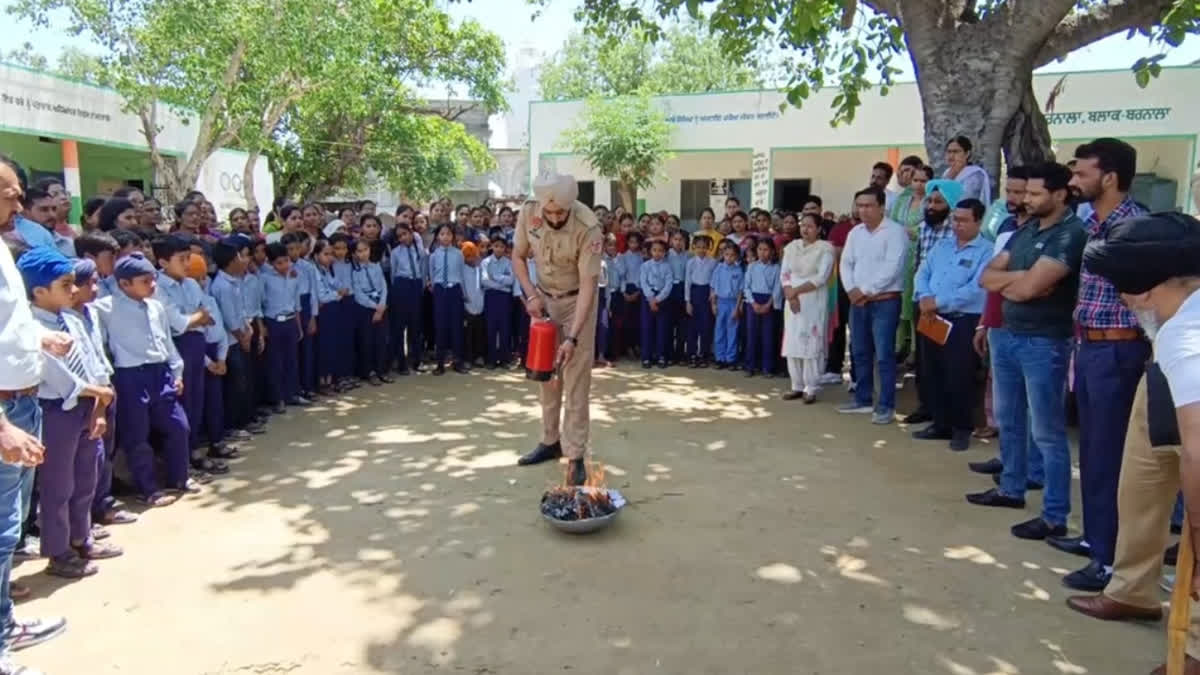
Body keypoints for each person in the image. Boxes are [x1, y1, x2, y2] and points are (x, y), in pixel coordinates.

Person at [1075, 211, 1200, 675]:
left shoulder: (1187, 336)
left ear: (1145, 289)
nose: (1123, 300)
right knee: (1140, 485)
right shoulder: (1178, 322)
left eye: (1123, 289)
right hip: (1161, 378)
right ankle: (1132, 592)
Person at [1044, 139, 1151, 592]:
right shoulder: (1093, 222)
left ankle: (1109, 560)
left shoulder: (1137, 227)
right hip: (1089, 348)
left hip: (1118, 350)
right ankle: (1094, 539)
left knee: (1109, 454)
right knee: (1090, 452)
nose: (1073, 181)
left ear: (1109, 177)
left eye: (1082, 174)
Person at [967, 162, 1086, 542]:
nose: (1027, 200)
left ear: (1060, 194)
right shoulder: (1027, 230)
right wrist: (1024, 276)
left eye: (1035, 194)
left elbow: (1027, 292)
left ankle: (1054, 515)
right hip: (1009, 334)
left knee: (1048, 432)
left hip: (1045, 341)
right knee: (1009, 418)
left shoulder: (1070, 234)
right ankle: (1011, 489)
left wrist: (1018, 282)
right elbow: (988, 277)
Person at [0, 155, 72, 669]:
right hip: (4, 410)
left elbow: (11, 320)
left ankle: (4, 623)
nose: (18, 202)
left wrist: (38, 337)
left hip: (23, 399)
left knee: (9, 524)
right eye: (8, 192)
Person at [512, 174, 603, 486]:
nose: (552, 218)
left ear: (570, 206)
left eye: (559, 213)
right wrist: (531, 296)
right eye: (548, 213)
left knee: (576, 379)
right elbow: (518, 257)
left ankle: (575, 453)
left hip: (578, 302)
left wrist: (574, 337)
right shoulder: (528, 212)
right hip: (543, 301)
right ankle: (550, 441)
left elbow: (590, 285)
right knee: (546, 377)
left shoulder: (588, 226)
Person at [92, 253, 194, 507]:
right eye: (145, 281)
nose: (152, 285)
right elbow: (100, 345)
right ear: (125, 284)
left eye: (153, 279)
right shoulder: (104, 309)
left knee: (178, 426)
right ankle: (148, 489)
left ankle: (179, 478)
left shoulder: (156, 306)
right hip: (130, 376)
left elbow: (167, 343)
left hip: (160, 373)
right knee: (137, 436)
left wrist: (177, 371)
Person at [911, 197, 992, 450]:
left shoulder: (987, 251)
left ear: (978, 221)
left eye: (964, 220)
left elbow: (977, 290)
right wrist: (924, 298)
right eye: (955, 219)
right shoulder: (942, 246)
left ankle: (961, 428)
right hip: (931, 317)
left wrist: (939, 302)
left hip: (961, 321)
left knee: (959, 375)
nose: (957, 225)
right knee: (932, 372)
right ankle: (940, 423)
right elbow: (922, 273)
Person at [838, 186, 909, 424]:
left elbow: (893, 268)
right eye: (860, 205)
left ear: (881, 207)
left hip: (884, 302)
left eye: (868, 205)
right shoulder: (855, 233)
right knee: (859, 351)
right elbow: (846, 263)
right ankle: (863, 399)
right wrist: (851, 290)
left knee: (884, 354)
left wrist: (864, 292)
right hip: (858, 302)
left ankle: (886, 406)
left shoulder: (895, 232)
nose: (863, 210)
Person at [152, 235, 218, 474]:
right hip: (176, 347)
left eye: (189, 258)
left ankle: (194, 451)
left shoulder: (190, 283)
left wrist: (194, 319)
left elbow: (206, 314)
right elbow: (177, 323)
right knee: (180, 404)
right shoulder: (157, 288)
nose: (188, 264)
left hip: (196, 344)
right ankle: (179, 462)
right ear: (163, 262)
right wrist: (194, 318)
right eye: (182, 259)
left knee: (196, 401)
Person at [903, 178, 962, 425]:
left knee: (945, 360)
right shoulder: (926, 227)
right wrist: (922, 296)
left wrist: (935, 299)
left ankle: (946, 414)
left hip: (946, 304)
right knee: (925, 358)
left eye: (939, 202)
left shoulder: (956, 229)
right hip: (923, 300)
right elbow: (920, 266)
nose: (931, 206)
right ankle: (926, 406)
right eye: (930, 200)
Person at [780, 214, 834, 402]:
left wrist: (796, 291)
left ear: (819, 229)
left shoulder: (825, 249)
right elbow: (785, 273)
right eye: (803, 225)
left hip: (813, 298)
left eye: (810, 226)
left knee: (811, 341)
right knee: (793, 339)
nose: (805, 229)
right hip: (792, 299)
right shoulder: (791, 247)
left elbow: (821, 278)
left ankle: (811, 387)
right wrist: (789, 292)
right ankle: (796, 385)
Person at [260, 242, 308, 409]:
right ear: (271, 263)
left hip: (290, 321)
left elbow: (296, 305)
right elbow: (261, 303)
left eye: (286, 261)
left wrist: (299, 327)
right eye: (279, 263)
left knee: (292, 359)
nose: (284, 265)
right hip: (273, 322)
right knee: (275, 361)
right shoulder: (264, 279)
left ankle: (292, 393)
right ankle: (278, 397)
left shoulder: (294, 276)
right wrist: (263, 327)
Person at [283, 232, 321, 398]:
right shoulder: (281, 268)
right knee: (292, 352)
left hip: (305, 307)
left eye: (297, 248)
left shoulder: (308, 267)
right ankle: (293, 388)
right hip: (289, 308)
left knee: (307, 349)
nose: (294, 252)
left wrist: (313, 316)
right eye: (290, 249)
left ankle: (308, 386)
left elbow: (314, 292)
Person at [349, 239, 390, 385]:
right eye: (359, 251)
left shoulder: (376, 266)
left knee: (381, 339)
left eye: (365, 249)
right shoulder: (354, 272)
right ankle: (369, 371)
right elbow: (358, 294)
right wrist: (374, 307)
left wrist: (382, 304)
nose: (364, 253)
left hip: (381, 306)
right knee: (367, 341)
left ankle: (381, 369)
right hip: (366, 309)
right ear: (354, 254)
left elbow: (384, 286)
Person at [388, 223, 425, 375]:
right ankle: (401, 362)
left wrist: (421, 284)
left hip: (416, 285)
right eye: (400, 236)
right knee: (400, 325)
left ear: (411, 233)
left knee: (415, 325)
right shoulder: (396, 252)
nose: (403, 237)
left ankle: (416, 360)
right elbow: (393, 272)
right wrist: (398, 289)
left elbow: (423, 266)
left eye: (406, 233)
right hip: (401, 285)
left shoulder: (420, 249)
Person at [743, 239, 782, 377]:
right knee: (752, 334)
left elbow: (778, 288)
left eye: (766, 249)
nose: (762, 252)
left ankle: (767, 367)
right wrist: (753, 303)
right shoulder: (752, 266)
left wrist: (768, 304)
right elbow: (746, 286)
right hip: (752, 301)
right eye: (760, 249)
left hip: (768, 302)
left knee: (768, 336)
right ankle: (750, 366)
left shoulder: (776, 268)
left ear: (771, 251)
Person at [481, 236, 514, 369]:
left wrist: (495, 277)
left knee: (505, 328)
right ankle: (491, 360)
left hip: (505, 299)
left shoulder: (509, 262)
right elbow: (484, 281)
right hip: (491, 297)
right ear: (491, 247)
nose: (499, 249)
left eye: (501, 246)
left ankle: (505, 359)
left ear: (505, 248)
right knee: (491, 328)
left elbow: (511, 280)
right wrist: (502, 283)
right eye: (496, 246)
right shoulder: (486, 262)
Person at [639, 239, 673, 369]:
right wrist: (650, 298)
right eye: (654, 250)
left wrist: (658, 299)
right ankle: (646, 357)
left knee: (662, 329)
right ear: (650, 251)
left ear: (665, 252)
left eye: (660, 251)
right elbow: (643, 282)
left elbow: (668, 285)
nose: (657, 253)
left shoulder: (668, 266)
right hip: (648, 299)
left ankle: (661, 356)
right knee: (647, 328)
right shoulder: (645, 266)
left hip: (662, 300)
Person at [685, 235, 717, 367]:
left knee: (706, 325)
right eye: (698, 247)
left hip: (707, 293)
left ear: (708, 248)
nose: (701, 250)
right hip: (694, 292)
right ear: (693, 248)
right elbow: (687, 282)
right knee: (693, 326)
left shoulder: (713, 262)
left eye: (704, 247)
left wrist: (713, 295)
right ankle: (692, 354)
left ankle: (704, 354)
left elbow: (714, 280)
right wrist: (687, 301)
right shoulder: (690, 262)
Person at [943, 135, 992, 204]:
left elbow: (965, 198)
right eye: (949, 152)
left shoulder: (975, 174)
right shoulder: (946, 173)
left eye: (956, 152)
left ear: (967, 154)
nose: (951, 156)